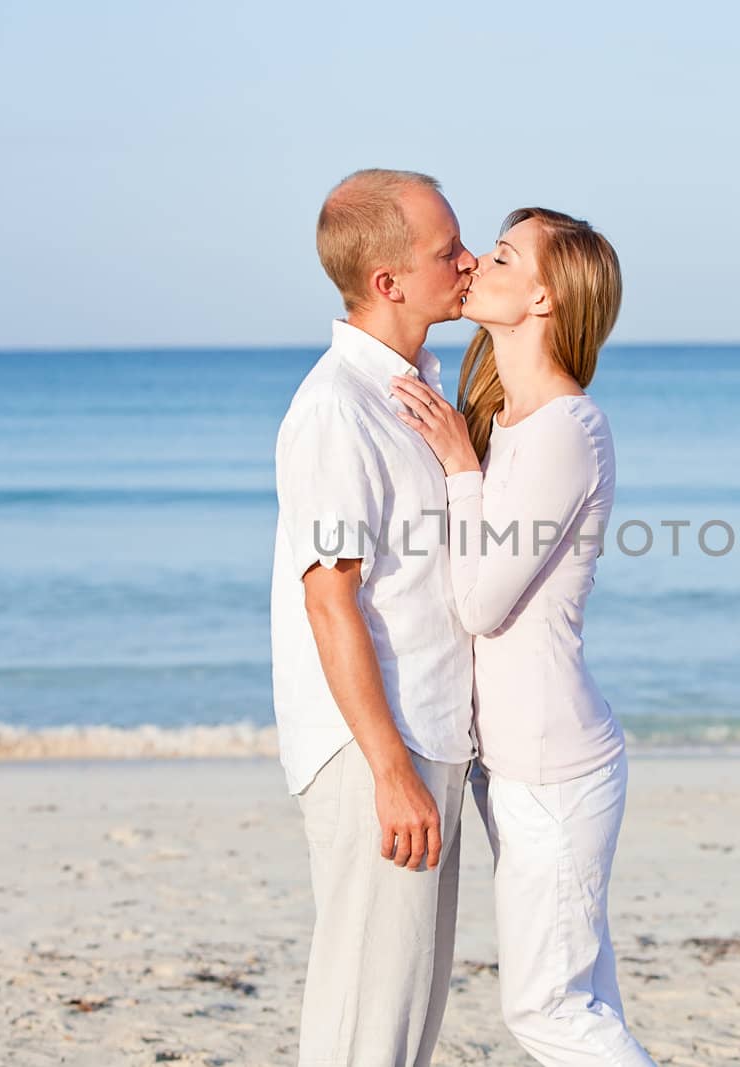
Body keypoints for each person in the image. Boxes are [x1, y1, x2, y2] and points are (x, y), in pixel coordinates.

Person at [390, 208, 657, 1066]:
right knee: (583, 998)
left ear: (544, 296)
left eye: (502, 256)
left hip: (553, 767)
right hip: (514, 763)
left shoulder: (567, 431)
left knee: (548, 1010)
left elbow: (479, 602)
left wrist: (460, 471)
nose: (477, 265)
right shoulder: (504, 417)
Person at [270, 168, 477, 1066]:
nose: (468, 262)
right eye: (447, 252)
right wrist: (391, 770)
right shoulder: (335, 408)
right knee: (367, 1013)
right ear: (388, 282)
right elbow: (330, 598)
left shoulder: (417, 387)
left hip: (429, 733)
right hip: (376, 750)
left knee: (406, 1012)